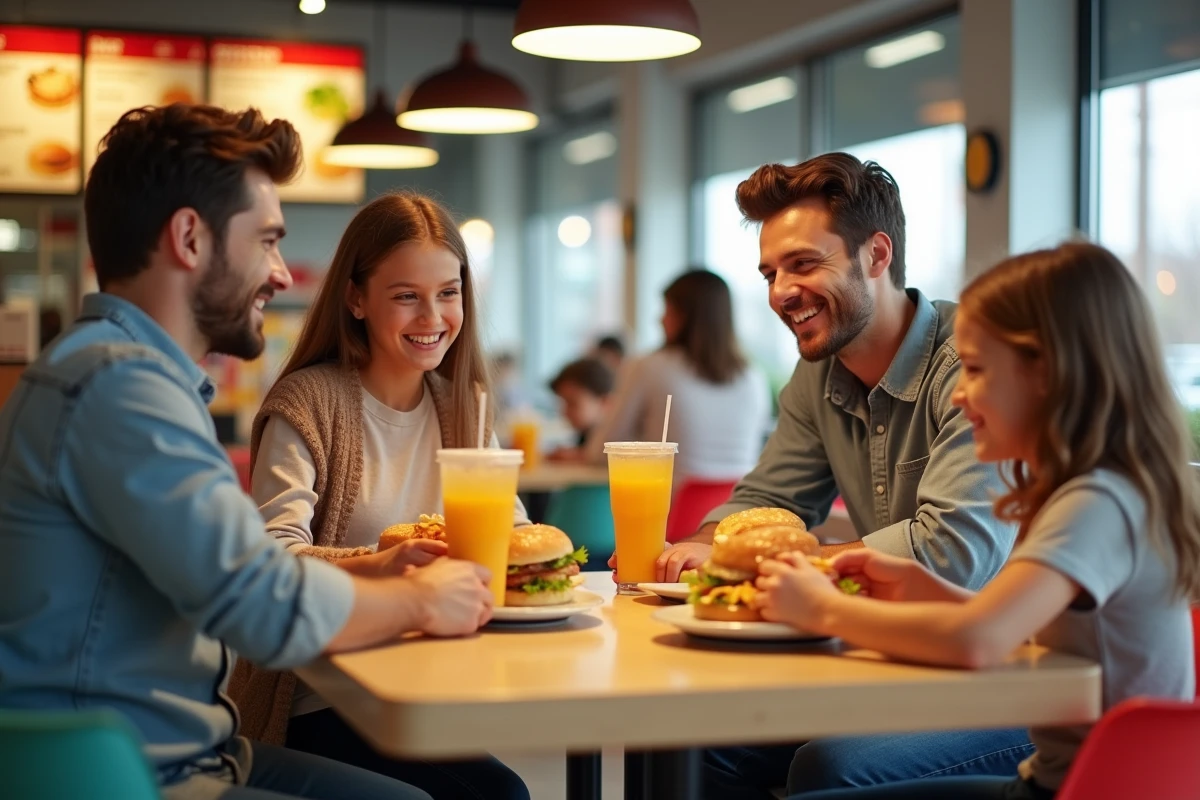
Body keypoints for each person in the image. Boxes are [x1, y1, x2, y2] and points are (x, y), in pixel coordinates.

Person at [0, 104, 493, 800]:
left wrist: (385, 570)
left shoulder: (121, 373)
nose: (283, 274)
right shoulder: (121, 386)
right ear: (190, 239)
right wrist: (418, 600)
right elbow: (260, 606)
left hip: (193, 751)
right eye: (266, 240)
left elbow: (246, 570)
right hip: (125, 776)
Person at [623, 156, 1023, 796]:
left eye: (804, 264)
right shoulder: (820, 371)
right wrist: (702, 545)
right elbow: (768, 500)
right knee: (696, 739)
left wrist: (769, 569)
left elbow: (952, 554)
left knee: (832, 766)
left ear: (876, 254)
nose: (781, 291)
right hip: (902, 658)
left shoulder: (972, 366)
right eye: (770, 273)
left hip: (1019, 676)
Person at [760, 242, 1199, 799]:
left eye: (976, 369)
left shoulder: (1097, 503)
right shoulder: (1089, 492)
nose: (960, 395)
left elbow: (980, 641)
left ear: (1050, 373)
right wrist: (916, 586)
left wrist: (823, 608)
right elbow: (1007, 624)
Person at [236, 192, 530, 800]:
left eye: (448, 292)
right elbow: (270, 559)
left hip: (434, 686)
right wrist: (382, 564)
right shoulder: (307, 404)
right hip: (318, 703)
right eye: (406, 296)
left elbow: (512, 540)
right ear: (356, 298)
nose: (433, 317)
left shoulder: (465, 408)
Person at [578, 269, 770, 491]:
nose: (660, 319)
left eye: (668, 309)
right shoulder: (754, 377)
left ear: (685, 316)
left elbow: (602, 451)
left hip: (671, 514)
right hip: (737, 513)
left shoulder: (647, 367)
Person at [547, 356, 614, 457]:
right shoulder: (585, 437)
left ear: (604, 402)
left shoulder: (614, 440)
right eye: (563, 403)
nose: (564, 411)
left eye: (573, 403)